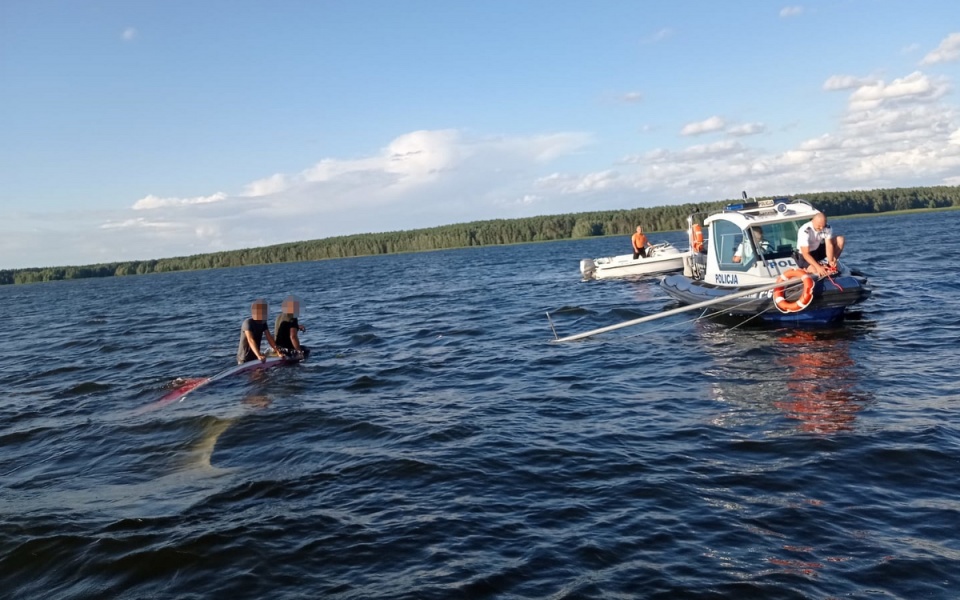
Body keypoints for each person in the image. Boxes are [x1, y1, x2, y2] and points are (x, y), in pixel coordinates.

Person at [796, 212, 845, 277]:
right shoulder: (804, 230)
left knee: (840, 239)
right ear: (813, 221)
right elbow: (806, 254)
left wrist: (830, 260)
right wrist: (818, 267)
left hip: (817, 250)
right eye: (819, 226)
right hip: (805, 255)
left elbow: (829, 245)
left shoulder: (827, 227)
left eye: (823, 225)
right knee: (815, 271)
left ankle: (832, 263)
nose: (821, 228)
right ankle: (814, 268)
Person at [237, 299, 282, 364]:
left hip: (255, 355)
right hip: (244, 358)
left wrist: (278, 352)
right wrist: (259, 355)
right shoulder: (247, 323)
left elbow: (269, 338)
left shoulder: (263, 323)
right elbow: (250, 340)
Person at [274, 295, 310, 360]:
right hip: (286, 349)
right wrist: (299, 352)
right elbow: (293, 337)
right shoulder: (293, 318)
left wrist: (297, 327)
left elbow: (284, 328)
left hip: (277, 347)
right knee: (306, 350)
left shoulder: (279, 316)